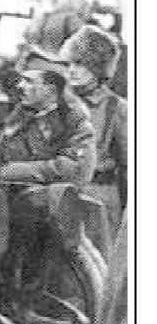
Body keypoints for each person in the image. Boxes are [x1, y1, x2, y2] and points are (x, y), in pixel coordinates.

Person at [62, 25, 127, 230]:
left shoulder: (116, 108)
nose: (72, 70)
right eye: (70, 63)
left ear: (98, 67)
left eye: (80, 64)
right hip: (58, 196)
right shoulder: (57, 101)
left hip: (99, 197)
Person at [0, 66, 96, 185]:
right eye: (22, 80)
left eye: (29, 81)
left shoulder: (75, 123)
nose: (20, 86)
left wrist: (10, 171)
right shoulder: (19, 118)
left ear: (51, 90)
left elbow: (76, 170)